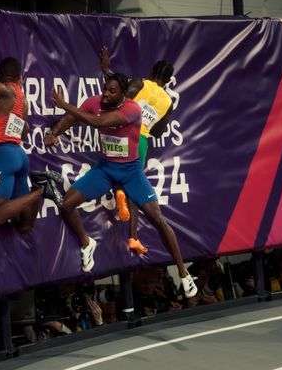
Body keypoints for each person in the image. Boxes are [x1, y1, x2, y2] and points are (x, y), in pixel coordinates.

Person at [45, 73, 197, 298]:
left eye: (112, 91)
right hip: (106, 169)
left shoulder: (132, 110)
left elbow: (97, 122)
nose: (106, 94)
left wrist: (64, 103)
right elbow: (71, 119)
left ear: (123, 94)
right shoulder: (95, 102)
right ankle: (87, 243)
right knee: (67, 204)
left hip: (130, 172)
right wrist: (54, 133)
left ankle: (184, 275)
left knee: (157, 219)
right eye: (105, 89)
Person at [0, 45, 62, 232]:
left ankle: (41, 189)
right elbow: (24, 132)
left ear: (0, 74)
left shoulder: (3, 88)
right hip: (19, 155)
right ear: (19, 78)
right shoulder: (23, 101)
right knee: (23, 225)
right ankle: (39, 189)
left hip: (2, 154)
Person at [100, 47, 175, 256]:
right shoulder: (168, 102)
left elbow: (119, 95)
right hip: (141, 140)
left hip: (123, 132)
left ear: (152, 73)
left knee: (109, 168)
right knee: (133, 183)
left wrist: (106, 69)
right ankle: (133, 237)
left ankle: (118, 191)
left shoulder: (142, 83)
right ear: (168, 82)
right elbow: (158, 132)